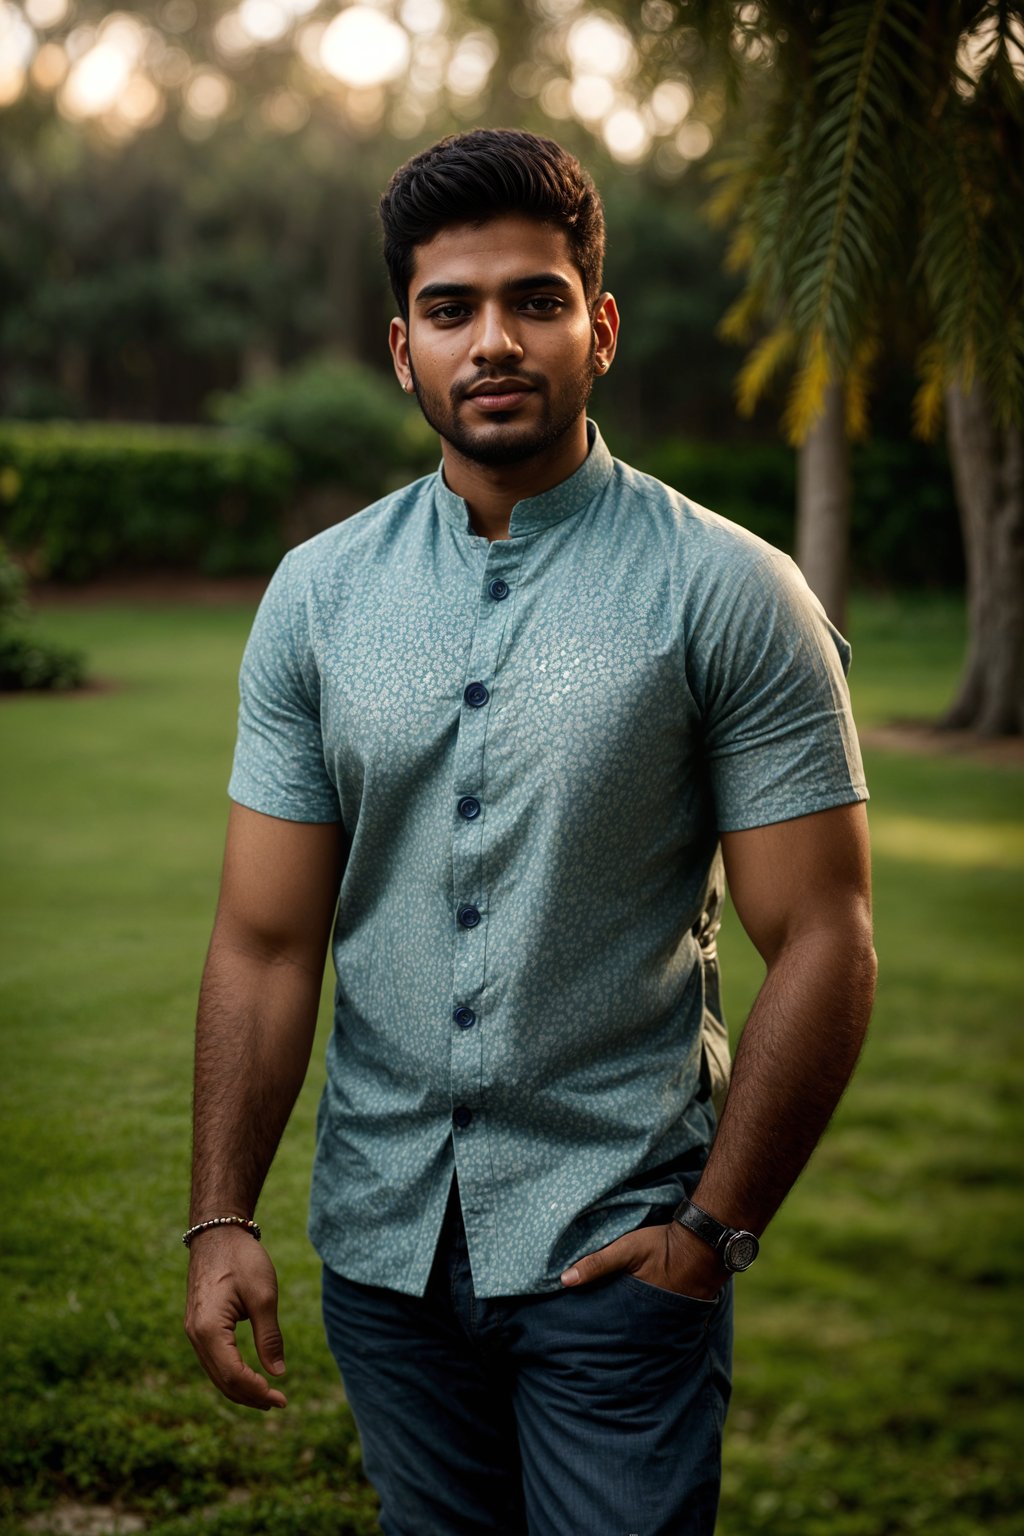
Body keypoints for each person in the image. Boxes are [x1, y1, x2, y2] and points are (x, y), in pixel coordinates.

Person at [184, 128, 876, 1536]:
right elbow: (263, 939)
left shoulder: (729, 593)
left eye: (535, 301)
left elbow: (824, 935)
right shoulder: (318, 599)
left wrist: (712, 1230)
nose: (492, 341)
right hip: (382, 1264)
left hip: (618, 1258)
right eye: (452, 310)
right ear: (402, 348)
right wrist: (221, 1216)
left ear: (599, 326)